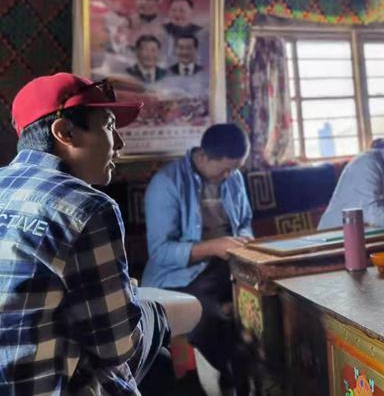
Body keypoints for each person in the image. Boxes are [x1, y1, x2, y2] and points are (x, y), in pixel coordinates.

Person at [0, 73, 173, 394]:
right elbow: (117, 347)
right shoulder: (89, 206)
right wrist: (129, 296)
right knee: (159, 320)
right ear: (65, 132)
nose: (119, 143)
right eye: (109, 126)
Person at [142, 123, 254, 393]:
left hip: (227, 264)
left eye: (235, 169)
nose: (229, 176)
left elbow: (245, 222)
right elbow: (160, 252)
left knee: (268, 298)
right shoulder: (167, 184)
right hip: (179, 276)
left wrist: (243, 241)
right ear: (203, 156)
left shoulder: (233, 178)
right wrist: (213, 247)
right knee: (207, 316)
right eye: (224, 169)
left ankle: (269, 377)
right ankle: (232, 380)